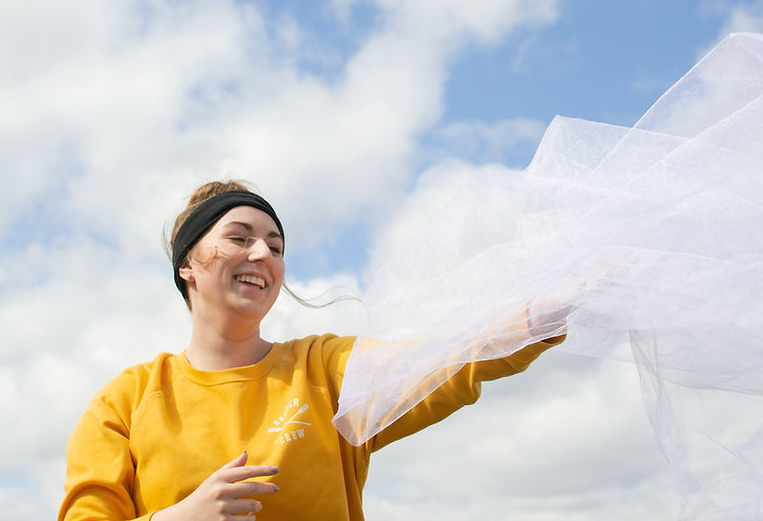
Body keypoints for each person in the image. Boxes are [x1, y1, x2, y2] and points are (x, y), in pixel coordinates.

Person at [58, 180, 564, 521]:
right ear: (187, 264)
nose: (263, 254)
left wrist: (539, 314)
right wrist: (183, 516)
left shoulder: (324, 369)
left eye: (276, 247)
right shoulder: (125, 401)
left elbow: (444, 358)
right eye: (240, 238)